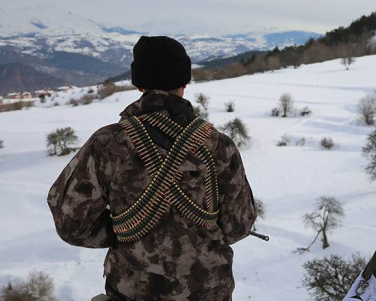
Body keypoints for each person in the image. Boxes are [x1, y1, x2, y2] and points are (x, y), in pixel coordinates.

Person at [47, 36, 257, 301]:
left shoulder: (107, 144)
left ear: (139, 84)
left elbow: (72, 225)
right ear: (184, 81)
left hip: (132, 292)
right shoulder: (219, 146)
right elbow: (239, 225)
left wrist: (123, 236)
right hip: (209, 291)